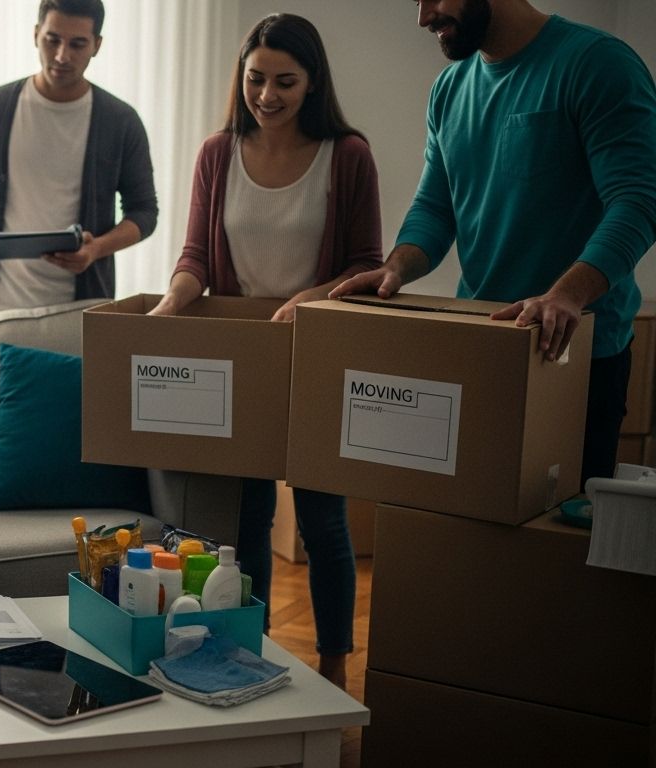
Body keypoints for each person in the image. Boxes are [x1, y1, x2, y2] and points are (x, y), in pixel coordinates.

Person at [148, 14, 381, 688]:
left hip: (317, 352)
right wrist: (168, 308)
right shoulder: (218, 152)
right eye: (255, 78)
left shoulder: (349, 154)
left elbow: (368, 265)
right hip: (242, 355)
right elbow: (196, 258)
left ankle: (334, 663)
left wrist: (313, 297)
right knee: (245, 521)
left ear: (312, 84)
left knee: (322, 519)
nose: (267, 94)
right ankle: (249, 653)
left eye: (285, 81)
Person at [332, 0, 656, 483]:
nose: (423, 17)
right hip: (483, 346)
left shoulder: (597, 63)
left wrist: (566, 294)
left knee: (554, 544)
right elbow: (436, 207)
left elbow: (638, 199)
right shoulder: (449, 88)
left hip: (574, 358)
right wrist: (396, 267)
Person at [0, 0, 158, 316]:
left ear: (97, 45)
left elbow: (144, 212)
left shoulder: (121, 121)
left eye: (78, 44)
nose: (63, 55)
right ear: (36, 34)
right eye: (53, 40)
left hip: (81, 311)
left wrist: (96, 250)